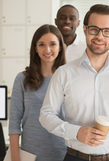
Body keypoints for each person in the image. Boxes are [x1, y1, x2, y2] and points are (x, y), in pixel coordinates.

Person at [39, 4, 109, 161]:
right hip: (75, 157)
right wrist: (76, 132)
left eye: (107, 31)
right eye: (94, 29)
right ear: (85, 30)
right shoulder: (64, 73)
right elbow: (46, 115)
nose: (100, 37)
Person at [9, 24, 66, 161]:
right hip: (30, 154)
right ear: (35, 48)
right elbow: (14, 123)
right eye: (41, 44)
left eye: (52, 44)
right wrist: (15, 158)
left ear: (59, 47)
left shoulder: (68, 79)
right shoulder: (22, 79)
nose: (47, 50)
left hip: (63, 153)